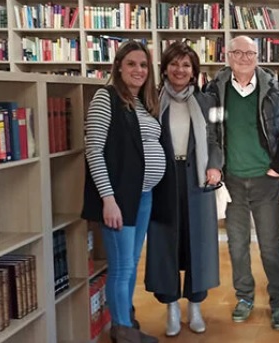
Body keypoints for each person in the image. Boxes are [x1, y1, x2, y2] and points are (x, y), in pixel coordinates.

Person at [203, 35, 279, 330]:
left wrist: (278, 168)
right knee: (237, 245)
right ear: (228, 55)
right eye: (237, 52)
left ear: (258, 55)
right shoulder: (216, 89)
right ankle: (245, 297)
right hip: (233, 183)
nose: (243, 57)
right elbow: (212, 131)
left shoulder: (275, 88)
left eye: (249, 52)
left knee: (270, 246)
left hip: (265, 180)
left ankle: (278, 301)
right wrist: (217, 166)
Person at [81, 40, 162, 343]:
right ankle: (123, 331)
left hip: (142, 196)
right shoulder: (106, 98)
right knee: (122, 266)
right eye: (131, 64)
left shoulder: (141, 101)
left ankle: (126, 322)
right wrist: (109, 199)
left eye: (143, 65)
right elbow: (94, 149)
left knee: (131, 263)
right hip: (119, 198)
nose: (138, 70)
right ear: (118, 66)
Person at [144, 42, 222, 337]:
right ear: (164, 68)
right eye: (174, 64)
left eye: (186, 65)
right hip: (163, 179)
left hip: (198, 179)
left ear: (194, 72)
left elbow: (216, 139)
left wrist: (215, 165)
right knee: (165, 243)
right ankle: (171, 307)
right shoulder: (151, 100)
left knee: (198, 244)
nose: (180, 70)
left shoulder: (209, 102)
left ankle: (196, 306)